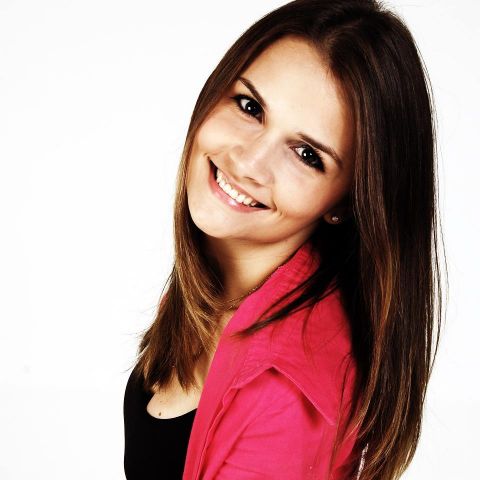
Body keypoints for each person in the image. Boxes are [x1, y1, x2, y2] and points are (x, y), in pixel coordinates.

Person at [123, 0, 445, 479]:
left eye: (306, 154)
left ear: (346, 202)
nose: (249, 162)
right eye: (250, 107)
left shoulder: (282, 391)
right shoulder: (216, 282)